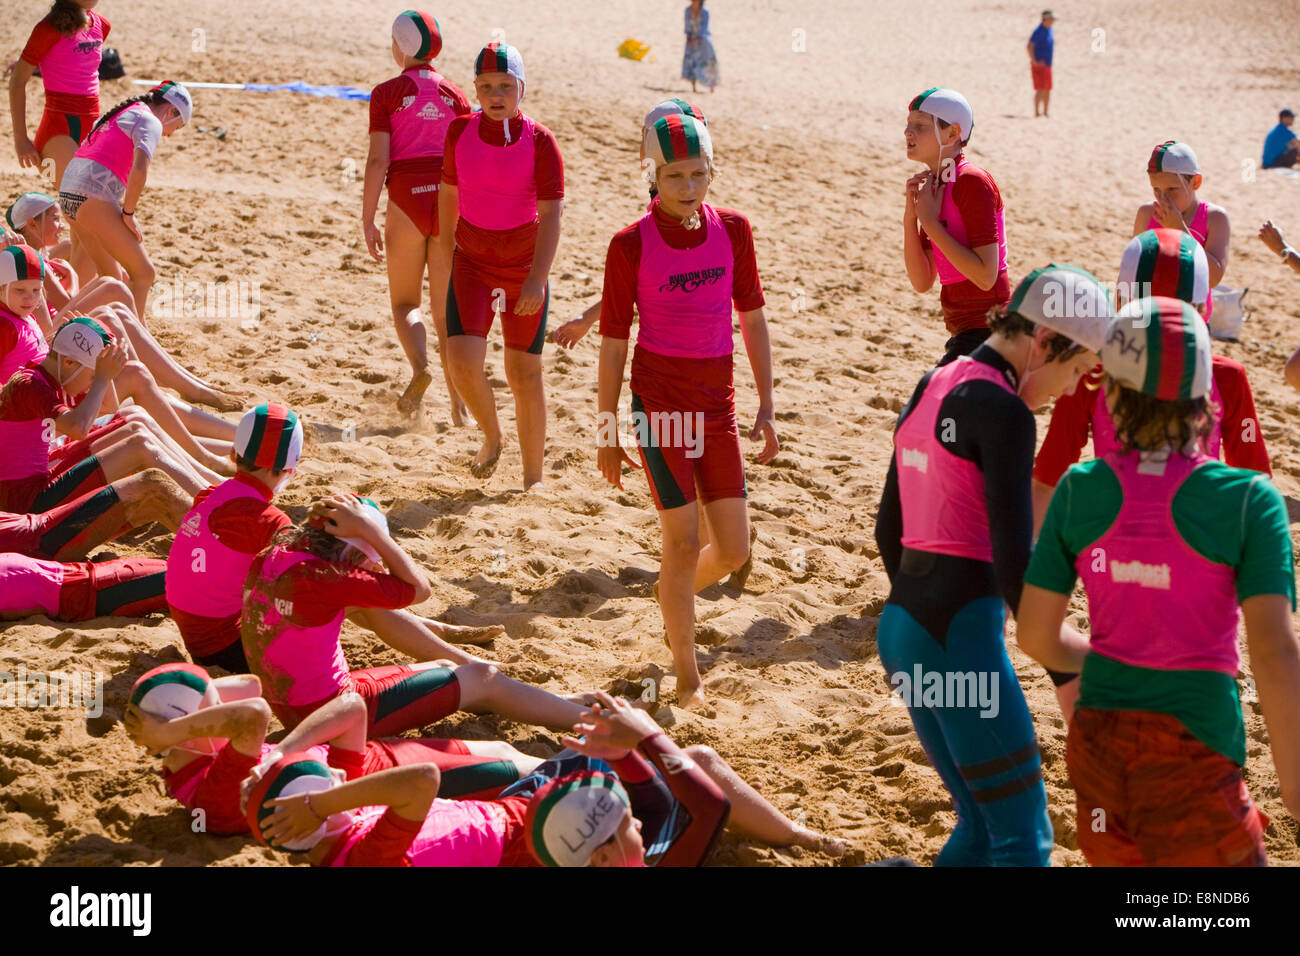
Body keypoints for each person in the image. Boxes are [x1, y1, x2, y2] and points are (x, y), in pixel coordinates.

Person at [1017, 297, 1300, 866]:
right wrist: (1295, 789)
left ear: (1111, 392)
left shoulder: (1080, 489)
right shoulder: (1248, 501)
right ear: (1205, 398)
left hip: (1099, 758)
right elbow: (1273, 653)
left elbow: (1036, 637)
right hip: (1195, 755)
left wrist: (1119, 669)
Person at [874, 266, 1112, 866]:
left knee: (979, 830)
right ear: (1046, 342)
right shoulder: (1005, 412)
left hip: (903, 631)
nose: (1066, 391)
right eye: (1075, 371)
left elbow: (887, 531)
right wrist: (1062, 669)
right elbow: (1014, 561)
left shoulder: (934, 381)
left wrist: (925, 615)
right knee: (1024, 841)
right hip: (959, 638)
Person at [597, 114, 776, 710]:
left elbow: (751, 319)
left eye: (698, 173)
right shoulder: (629, 244)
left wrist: (768, 404)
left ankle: (670, 596)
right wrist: (607, 429)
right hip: (660, 408)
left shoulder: (736, 231)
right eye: (675, 174)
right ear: (653, 175)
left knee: (732, 550)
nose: (688, 186)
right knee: (682, 540)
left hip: (717, 407)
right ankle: (686, 675)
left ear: (711, 172)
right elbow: (614, 342)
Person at [250, 691, 843, 866]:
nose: (329, 768)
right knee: (703, 763)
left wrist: (283, 759)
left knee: (599, 761)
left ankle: (615, 767)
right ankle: (799, 839)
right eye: (623, 823)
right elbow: (708, 808)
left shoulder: (352, 822)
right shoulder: (366, 850)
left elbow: (350, 714)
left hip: (527, 814)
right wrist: (643, 743)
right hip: (534, 832)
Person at [241, 494, 580, 733]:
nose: (373, 567)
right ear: (351, 549)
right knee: (482, 678)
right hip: (336, 715)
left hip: (293, 707)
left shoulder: (277, 554)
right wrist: (373, 533)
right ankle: (584, 717)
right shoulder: (331, 579)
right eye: (368, 560)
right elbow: (420, 590)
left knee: (448, 670)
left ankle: (549, 703)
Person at [1032, 229, 1271, 534]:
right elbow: (1254, 487)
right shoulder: (1226, 377)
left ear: (1121, 301)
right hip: (1196, 540)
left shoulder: (1091, 372)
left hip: (1117, 543)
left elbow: (1047, 477)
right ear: (1202, 308)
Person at [122, 667, 540, 836]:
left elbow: (248, 685)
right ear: (192, 729)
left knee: (503, 748)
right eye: (214, 711)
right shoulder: (218, 785)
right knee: (527, 769)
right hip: (377, 779)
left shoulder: (191, 767)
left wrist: (170, 730)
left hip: (361, 758)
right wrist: (174, 727)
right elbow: (254, 709)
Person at [438, 42, 563, 486]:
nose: (496, 94)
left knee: (523, 374)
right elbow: (449, 195)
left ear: (521, 88)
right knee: (462, 362)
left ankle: (533, 478)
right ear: (475, 89)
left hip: (523, 268)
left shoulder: (541, 141)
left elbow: (551, 216)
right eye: (486, 86)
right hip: (471, 261)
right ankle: (491, 436)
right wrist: (445, 250)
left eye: (506, 85)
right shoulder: (458, 132)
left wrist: (537, 279)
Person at [7, 190, 242, 412]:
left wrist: (73, 277)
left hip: (53, 328)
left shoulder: (39, 256)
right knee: (113, 288)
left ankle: (185, 382)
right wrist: (71, 277)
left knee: (114, 293)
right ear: (32, 224)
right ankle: (184, 385)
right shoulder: (26, 262)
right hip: (49, 339)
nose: (60, 226)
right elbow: (53, 315)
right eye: (55, 219)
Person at [363, 10, 472, 420]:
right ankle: (460, 408)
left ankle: (421, 368)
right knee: (449, 315)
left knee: (406, 303)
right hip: (448, 200)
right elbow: (468, 160)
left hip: (406, 198)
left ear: (399, 46)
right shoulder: (457, 95)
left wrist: (367, 218)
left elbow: (377, 161)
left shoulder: (386, 93)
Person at [0, 316, 212, 517]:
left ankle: (211, 487)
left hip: (34, 484)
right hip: (24, 502)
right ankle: (213, 505)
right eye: (92, 376)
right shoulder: (30, 384)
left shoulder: (43, 378)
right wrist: (102, 377)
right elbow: (78, 429)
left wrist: (102, 371)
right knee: (139, 445)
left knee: (134, 427)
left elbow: (109, 408)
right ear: (69, 363)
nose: (92, 383)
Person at [551, 98, 708, 351]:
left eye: (648, 138)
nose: (642, 148)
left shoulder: (672, 204)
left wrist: (587, 318)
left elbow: (639, 280)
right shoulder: (673, 193)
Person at [58, 81, 194, 314]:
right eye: (177, 126)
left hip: (68, 195)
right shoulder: (149, 120)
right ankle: (136, 335)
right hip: (90, 194)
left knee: (113, 278)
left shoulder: (125, 111)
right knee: (143, 274)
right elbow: (140, 170)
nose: (170, 134)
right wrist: (128, 213)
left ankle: (61, 323)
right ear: (170, 111)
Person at [902, 88, 1010, 366]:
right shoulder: (936, 186)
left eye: (920, 126)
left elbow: (986, 276)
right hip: (965, 332)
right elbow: (922, 281)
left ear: (952, 134)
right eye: (908, 124)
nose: (907, 132)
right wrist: (910, 218)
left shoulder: (971, 181)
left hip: (991, 332)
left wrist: (929, 221)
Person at [9, 0, 110, 191]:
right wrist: (20, 139)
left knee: (90, 204)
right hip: (57, 129)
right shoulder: (48, 29)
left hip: (92, 124)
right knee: (79, 199)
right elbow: (17, 81)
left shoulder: (102, 25)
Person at [0, 468, 189, 562]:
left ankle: (213, 542)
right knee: (151, 483)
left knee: (150, 505)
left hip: (34, 530)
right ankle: (216, 539)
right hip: (36, 539)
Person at [1134, 141, 1228, 321]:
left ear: (1195, 182)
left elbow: (1213, 278)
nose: (1163, 198)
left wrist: (1178, 229)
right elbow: (1133, 272)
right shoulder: (1147, 214)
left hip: (1191, 324)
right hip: (1148, 317)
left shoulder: (1214, 219)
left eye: (1172, 189)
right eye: (1156, 189)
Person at [0, 551, 166, 620]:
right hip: (92, 594)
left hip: (92, 573)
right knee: (182, 580)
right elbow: (35, 609)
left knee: (177, 569)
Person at [682, 1, 719, 94]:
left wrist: (698, 38)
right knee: (691, 62)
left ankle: (711, 87)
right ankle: (693, 86)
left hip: (703, 40)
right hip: (691, 39)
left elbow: (705, 27)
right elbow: (687, 26)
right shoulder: (688, 10)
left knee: (708, 63)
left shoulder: (705, 11)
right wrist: (689, 38)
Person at [1027, 10, 1055, 117]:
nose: (1053, 21)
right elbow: (1029, 46)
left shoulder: (1050, 30)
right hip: (1040, 65)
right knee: (1040, 89)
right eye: (1051, 18)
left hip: (1048, 64)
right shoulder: (1038, 31)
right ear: (1046, 19)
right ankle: (1036, 112)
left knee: (1048, 89)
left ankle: (1045, 112)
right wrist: (1034, 61)